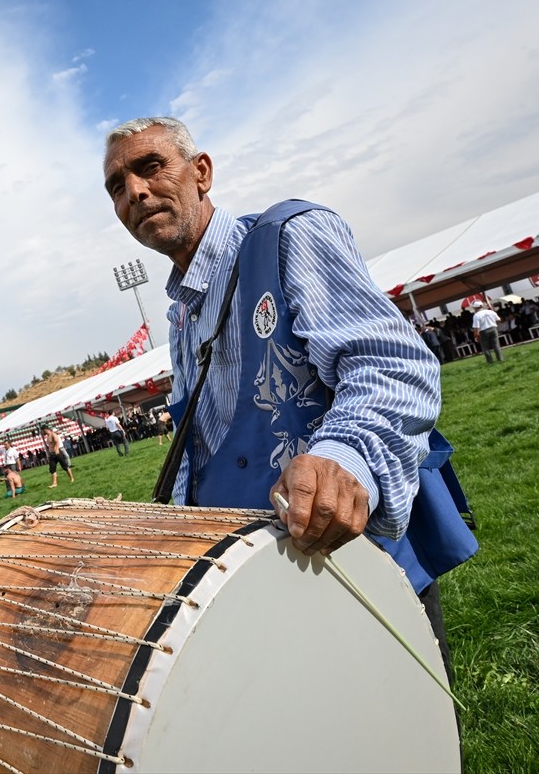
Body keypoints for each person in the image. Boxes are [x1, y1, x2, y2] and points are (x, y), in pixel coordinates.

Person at [103, 117, 477, 683]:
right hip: (259, 581)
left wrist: (344, 457)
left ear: (201, 173)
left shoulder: (290, 236)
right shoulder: (179, 314)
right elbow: (203, 444)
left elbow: (390, 365)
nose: (134, 191)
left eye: (150, 166)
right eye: (116, 185)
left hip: (354, 563)